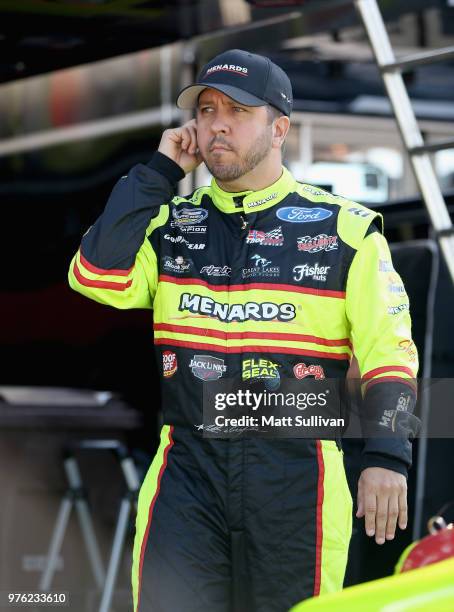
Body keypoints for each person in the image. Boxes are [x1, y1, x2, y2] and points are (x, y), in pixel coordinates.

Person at [68, 49, 419, 612]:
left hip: (296, 475)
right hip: (187, 471)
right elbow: (96, 276)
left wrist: (387, 456)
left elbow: (391, 357)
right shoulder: (167, 223)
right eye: (206, 110)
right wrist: (158, 173)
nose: (217, 124)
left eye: (238, 110)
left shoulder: (348, 232)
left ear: (279, 128)